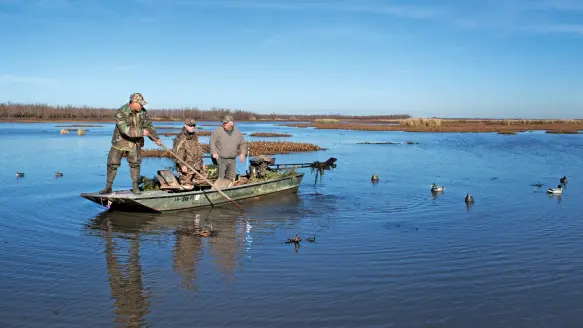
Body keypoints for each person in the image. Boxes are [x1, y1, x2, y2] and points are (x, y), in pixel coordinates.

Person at [99, 92, 162, 195]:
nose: (142, 106)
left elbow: (149, 126)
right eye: (140, 104)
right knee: (112, 163)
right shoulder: (121, 112)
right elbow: (124, 129)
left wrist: (156, 138)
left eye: (143, 104)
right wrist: (141, 132)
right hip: (120, 142)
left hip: (134, 142)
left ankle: (135, 187)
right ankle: (108, 187)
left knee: (135, 164)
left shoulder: (143, 112)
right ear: (133, 102)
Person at [210, 115, 247, 180]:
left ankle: (229, 189)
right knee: (220, 179)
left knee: (231, 179)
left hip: (232, 160)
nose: (224, 124)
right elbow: (212, 142)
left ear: (232, 123)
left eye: (226, 123)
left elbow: (243, 143)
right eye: (223, 123)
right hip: (220, 160)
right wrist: (214, 152)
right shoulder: (218, 131)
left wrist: (242, 154)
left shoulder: (237, 132)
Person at [173, 118, 206, 186]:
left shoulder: (194, 136)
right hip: (186, 166)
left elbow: (198, 151)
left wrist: (202, 163)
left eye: (193, 125)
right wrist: (182, 165)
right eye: (190, 125)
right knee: (186, 184)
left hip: (196, 165)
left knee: (204, 178)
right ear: (185, 125)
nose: (192, 127)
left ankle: (194, 184)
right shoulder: (180, 137)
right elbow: (178, 153)